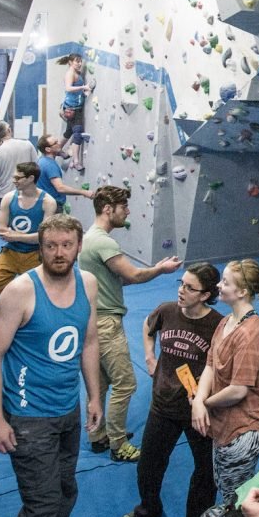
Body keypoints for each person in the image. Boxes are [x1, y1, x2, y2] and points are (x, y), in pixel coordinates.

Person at [0, 213, 103, 517]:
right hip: (28, 415)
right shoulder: (20, 291)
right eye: (51, 246)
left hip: (68, 409)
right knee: (43, 503)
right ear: (40, 248)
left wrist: (95, 396)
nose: (59, 252)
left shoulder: (89, 284)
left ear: (78, 246)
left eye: (67, 245)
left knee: (65, 494)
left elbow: (89, 341)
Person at [118, 263, 224, 517]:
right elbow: (148, 325)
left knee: (205, 473)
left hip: (198, 411)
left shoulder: (217, 325)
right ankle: (148, 509)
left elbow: (222, 367)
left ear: (205, 295)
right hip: (163, 405)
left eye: (189, 287)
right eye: (181, 283)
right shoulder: (167, 310)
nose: (181, 290)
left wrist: (205, 398)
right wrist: (150, 356)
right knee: (148, 465)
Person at [77, 185, 183, 461]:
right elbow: (133, 276)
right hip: (105, 323)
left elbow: (117, 278)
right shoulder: (103, 241)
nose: (128, 211)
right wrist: (161, 268)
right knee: (125, 384)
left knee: (99, 384)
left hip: (92, 320)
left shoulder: (91, 238)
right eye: (124, 206)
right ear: (108, 209)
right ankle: (118, 444)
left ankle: (98, 436)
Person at [194, 259, 259, 517]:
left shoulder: (250, 332)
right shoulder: (226, 322)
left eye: (226, 283)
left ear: (242, 291)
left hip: (243, 429)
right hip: (223, 425)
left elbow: (239, 389)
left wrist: (205, 404)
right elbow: (209, 365)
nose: (219, 286)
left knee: (237, 500)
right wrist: (199, 401)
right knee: (230, 491)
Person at [0, 162, 58, 298]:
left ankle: (25, 308)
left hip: (34, 253)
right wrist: (23, 237)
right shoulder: (9, 198)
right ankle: (18, 303)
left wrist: (15, 236)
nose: (14, 181)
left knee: (39, 293)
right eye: (14, 177)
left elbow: (44, 237)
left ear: (31, 178)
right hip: (11, 251)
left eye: (18, 178)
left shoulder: (48, 202)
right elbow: (1, 229)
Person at [0, 121, 39, 211]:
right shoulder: (27, 144)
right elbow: (37, 167)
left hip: (5, 195)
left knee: (7, 223)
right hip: (28, 193)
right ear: (9, 130)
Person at [35, 134, 92, 212]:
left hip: (46, 204)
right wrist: (84, 192)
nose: (59, 144)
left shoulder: (42, 161)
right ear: (48, 149)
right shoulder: (49, 165)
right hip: (52, 206)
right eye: (55, 143)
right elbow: (60, 188)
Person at [58, 55, 90, 172]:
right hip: (72, 108)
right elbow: (68, 88)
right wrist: (84, 87)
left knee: (69, 131)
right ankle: (76, 162)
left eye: (80, 62)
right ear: (70, 62)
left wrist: (84, 92)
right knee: (78, 133)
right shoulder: (70, 74)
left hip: (75, 106)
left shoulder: (76, 72)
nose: (79, 64)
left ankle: (58, 149)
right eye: (77, 62)